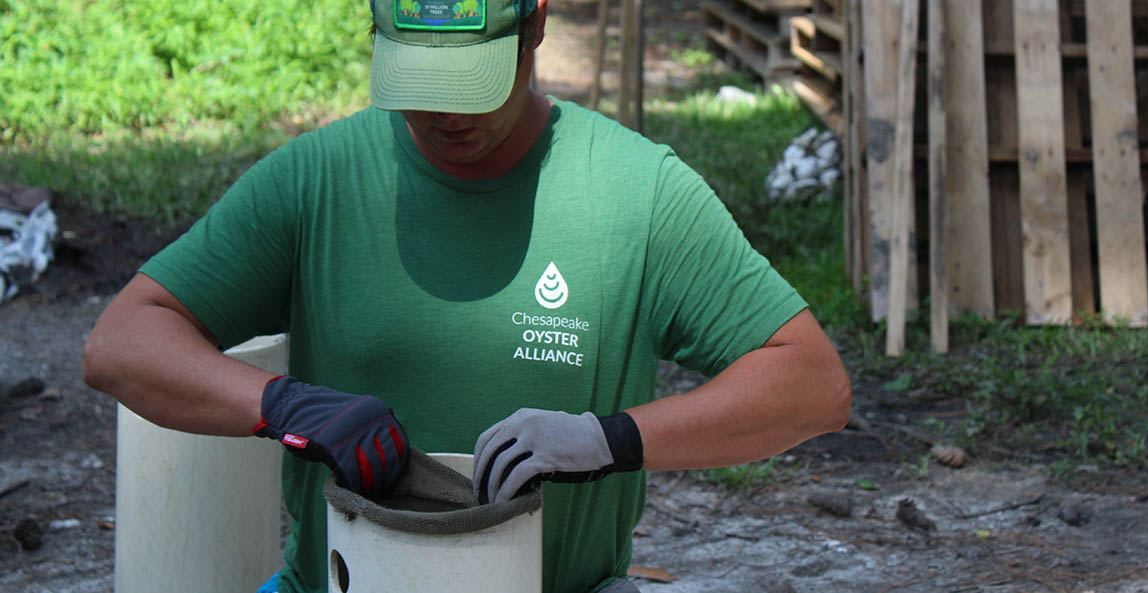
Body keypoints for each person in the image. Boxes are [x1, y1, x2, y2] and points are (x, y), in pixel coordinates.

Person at [82, 0, 852, 591]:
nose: (448, 113)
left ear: (536, 25)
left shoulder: (633, 195)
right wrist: (284, 405)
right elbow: (123, 342)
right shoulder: (320, 182)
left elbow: (810, 383)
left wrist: (609, 438)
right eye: (422, 81)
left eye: (473, 84)